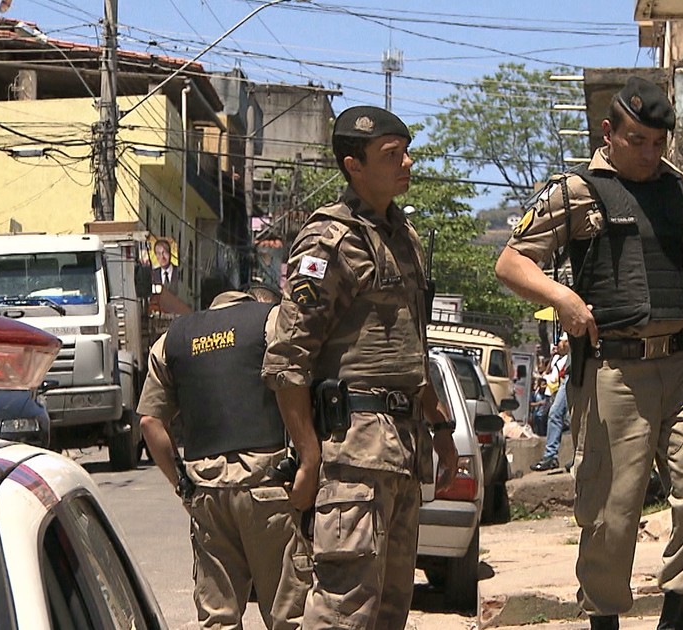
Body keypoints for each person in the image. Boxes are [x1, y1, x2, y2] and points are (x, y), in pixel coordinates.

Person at [496, 76, 683, 630]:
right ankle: (606, 618)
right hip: (615, 369)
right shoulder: (576, 191)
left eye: (658, 142)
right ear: (609, 132)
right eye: (637, 140)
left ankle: (679, 613)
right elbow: (511, 263)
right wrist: (562, 297)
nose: (649, 153)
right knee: (612, 512)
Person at [261, 105, 458, 630]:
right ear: (354, 165)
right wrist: (306, 456)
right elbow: (286, 360)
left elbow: (411, 354)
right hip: (351, 457)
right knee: (343, 609)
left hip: (402, 450)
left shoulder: (405, 238)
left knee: (390, 612)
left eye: (406, 152)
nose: (407, 164)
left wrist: (440, 429)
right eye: (392, 156)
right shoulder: (331, 239)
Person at [137, 287, 309, 630]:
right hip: (269, 488)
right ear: (254, 302)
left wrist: (183, 485)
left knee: (219, 619)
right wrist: (309, 461)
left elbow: (150, 422)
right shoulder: (270, 320)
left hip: (208, 493)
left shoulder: (173, 338)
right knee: (289, 616)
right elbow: (295, 382)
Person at [532, 333, 570, 472]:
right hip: (569, 376)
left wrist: (561, 346)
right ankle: (550, 456)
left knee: (573, 417)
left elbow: (566, 346)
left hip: (577, 374)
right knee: (555, 413)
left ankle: (574, 456)